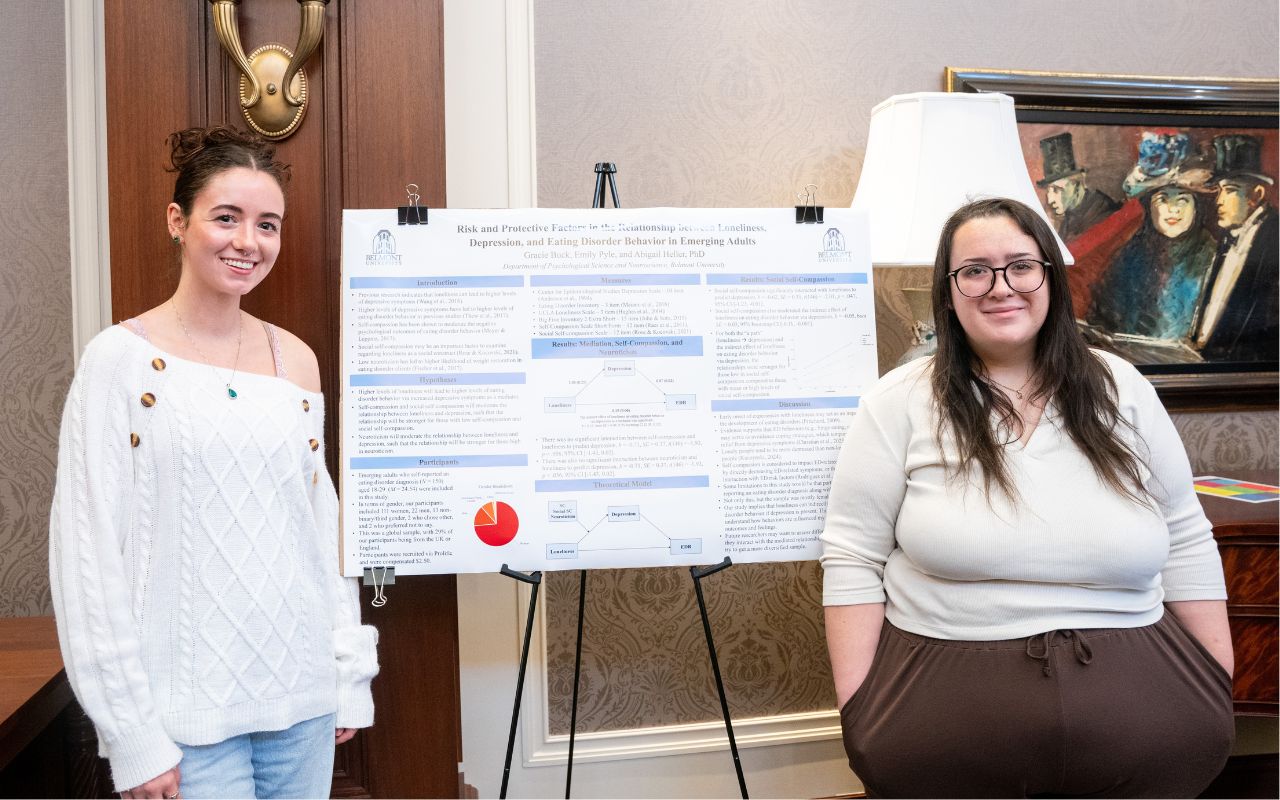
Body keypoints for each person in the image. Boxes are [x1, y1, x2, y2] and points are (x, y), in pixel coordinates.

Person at [821, 197, 1233, 797]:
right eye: (975, 271)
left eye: (1021, 265)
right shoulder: (898, 401)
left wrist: (1214, 680)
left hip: (1145, 698)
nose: (1000, 287)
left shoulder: (1123, 389)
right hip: (944, 695)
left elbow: (1188, 536)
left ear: (1049, 276)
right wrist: (860, 709)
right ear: (949, 289)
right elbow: (852, 555)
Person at [49, 126, 379, 799]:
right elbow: (86, 558)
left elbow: (320, 534)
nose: (247, 242)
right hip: (184, 725)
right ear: (178, 220)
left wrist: (347, 676)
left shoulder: (298, 360)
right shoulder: (119, 361)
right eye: (225, 218)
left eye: (268, 225)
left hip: (304, 707)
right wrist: (133, 736)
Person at [1086, 134, 1216, 340]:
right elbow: (1103, 319)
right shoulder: (1129, 257)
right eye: (1163, 199)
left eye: (1183, 200)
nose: (1173, 209)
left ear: (1197, 209)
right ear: (1148, 207)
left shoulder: (1214, 259)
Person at [1191, 133, 1279, 362]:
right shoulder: (1227, 238)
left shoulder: (1274, 239)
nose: (1218, 201)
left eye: (1229, 190)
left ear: (1255, 195)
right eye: (1218, 191)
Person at [1037, 132, 1119, 242]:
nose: (1050, 200)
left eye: (1057, 190)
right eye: (1049, 191)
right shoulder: (1067, 216)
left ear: (1077, 183)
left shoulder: (1100, 210)